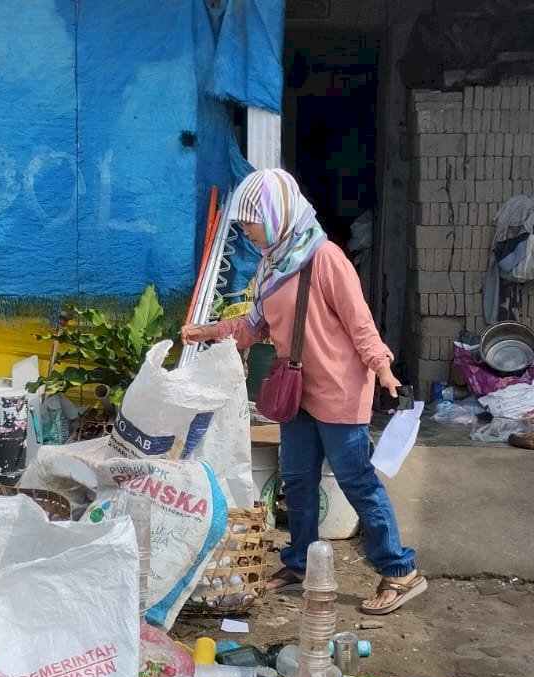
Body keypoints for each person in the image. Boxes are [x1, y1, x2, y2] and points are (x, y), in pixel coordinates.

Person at [182, 169, 424, 615]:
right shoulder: (271, 263)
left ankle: (399, 571)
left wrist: (384, 369)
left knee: (357, 481)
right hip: (298, 391)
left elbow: (360, 324)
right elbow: (254, 327)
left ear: (278, 214)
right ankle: (299, 562)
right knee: (296, 479)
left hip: (340, 390)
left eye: (252, 220)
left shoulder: (326, 258)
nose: (247, 230)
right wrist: (209, 331)